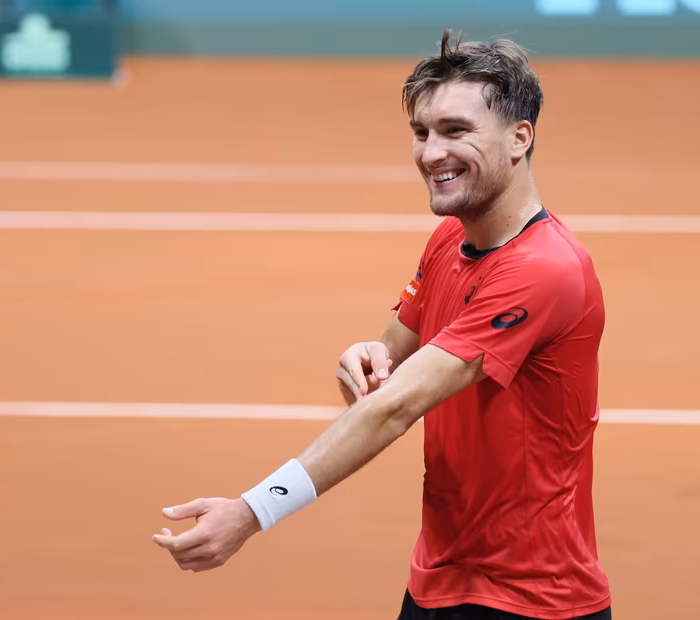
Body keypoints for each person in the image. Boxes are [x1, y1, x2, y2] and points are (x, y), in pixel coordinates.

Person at [152, 30, 612, 620]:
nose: (430, 153)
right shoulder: (451, 237)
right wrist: (362, 357)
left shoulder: (544, 270)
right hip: (440, 578)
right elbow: (376, 381)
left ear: (520, 137)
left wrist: (250, 512)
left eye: (455, 130)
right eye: (421, 133)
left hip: (531, 599)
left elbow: (393, 409)